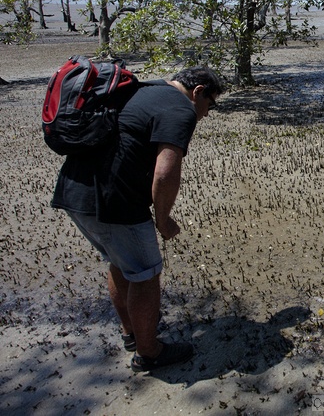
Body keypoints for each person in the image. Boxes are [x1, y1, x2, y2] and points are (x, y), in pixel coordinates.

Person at [51, 66, 225, 373]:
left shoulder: (144, 90)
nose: (206, 114)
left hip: (74, 193)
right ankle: (149, 352)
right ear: (198, 92)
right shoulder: (180, 110)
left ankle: (132, 334)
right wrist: (162, 218)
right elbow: (165, 172)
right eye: (210, 104)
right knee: (145, 275)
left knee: (121, 263)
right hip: (115, 203)